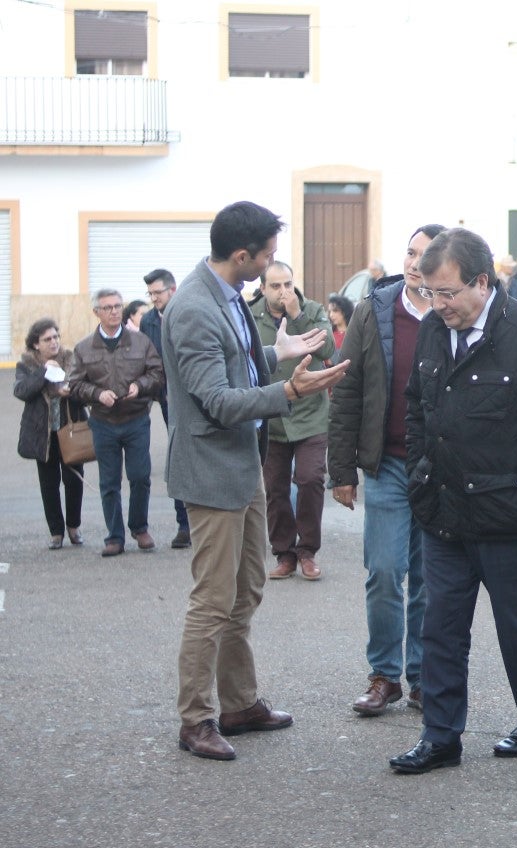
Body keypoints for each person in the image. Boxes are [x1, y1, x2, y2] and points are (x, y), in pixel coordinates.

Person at [389, 227, 517, 775]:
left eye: (447, 293)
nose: (437, 304)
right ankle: (441, 736)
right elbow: (417, 410)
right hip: (444, 512)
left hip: (510, 517)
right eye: (429, 292)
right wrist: (419, 474)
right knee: (440, 629)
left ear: (481, 281)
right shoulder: (432, 331)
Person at [165, 200, 347, 761]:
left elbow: (234, 364)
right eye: (266, 254)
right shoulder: (195, 307)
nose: (272, 262)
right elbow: (217, 400)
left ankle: (240, 704)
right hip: (214, 473)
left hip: (242, 468)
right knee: (213, 600)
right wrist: (289, 391)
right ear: (241, 255)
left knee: (245, 591)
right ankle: (195, 720)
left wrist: (277, 352)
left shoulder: (226, 297)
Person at [329, 223, 444, 717]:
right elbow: (346, 388)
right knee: (384, 570)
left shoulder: (452, 311)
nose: (415, 263)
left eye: (426, 255)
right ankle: (383, 675)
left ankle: (420, 676)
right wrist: (342, 470)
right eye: (411, 253)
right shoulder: (374, 309)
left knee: (426, 577)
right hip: (387, 465)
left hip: (438, 467)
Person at [249, 261, 335, 581]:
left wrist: (297, 317)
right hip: (271, 414)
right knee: (275, 487)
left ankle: (307, 551)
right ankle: (284, 552)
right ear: (262, 289)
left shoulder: (311, 310)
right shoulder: (249, 315)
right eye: (275, 286)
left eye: (287, 284)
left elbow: (327, 347)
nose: (283, 291)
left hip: (310, 413)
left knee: (311, 478)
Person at [68, 288, 164, 557]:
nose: (114, 312)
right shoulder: (84, 347)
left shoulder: (141, 342)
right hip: (103, 422)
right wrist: (97, 394)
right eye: (108, 307)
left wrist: (139, 386)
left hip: (135, 419)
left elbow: (157, 374)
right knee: (109, 482)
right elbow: (74, 384)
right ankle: (114, 536)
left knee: (140, 476)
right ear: (96, 312)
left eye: (117, 306)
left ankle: (139, 528)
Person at [15, 319, 85, 550]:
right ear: (36, 344)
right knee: (49, 483)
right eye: (47, 339)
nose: (54, 342)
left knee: (73, 480)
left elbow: (84, 388)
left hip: (70, 430)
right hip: (42, 434)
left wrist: (70, 391)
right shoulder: (27, 365)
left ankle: (74, 527)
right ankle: (56, 532)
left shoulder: (71, 359)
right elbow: (22, 391)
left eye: (56, 337)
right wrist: (45, 372)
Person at [140, 268, 191, 548]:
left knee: (197, 455)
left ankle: (201, 521)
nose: (153, 298)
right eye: (150, 294)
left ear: (172, 290)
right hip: (167, 401)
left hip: (194, 398)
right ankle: (184, 524)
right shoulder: (148, 321)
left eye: (157, 292)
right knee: (177, 458)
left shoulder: (187, 312)